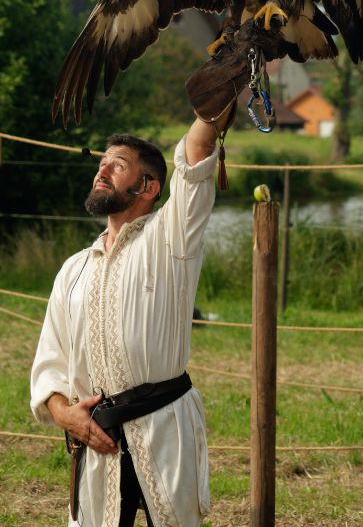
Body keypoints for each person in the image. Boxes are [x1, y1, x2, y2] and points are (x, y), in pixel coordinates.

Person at [30, 115, 228, 527]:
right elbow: (50, 357)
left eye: (118, 165)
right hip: (97, 440)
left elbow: (194, 159)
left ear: (148, 187)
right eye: (102, 163)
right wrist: (64, 415)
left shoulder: (172, 239)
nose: (102, 170)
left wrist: (213, 103)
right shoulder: (73, 269)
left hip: (163, 428)